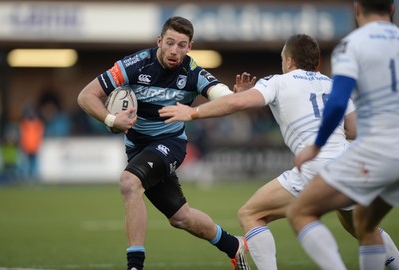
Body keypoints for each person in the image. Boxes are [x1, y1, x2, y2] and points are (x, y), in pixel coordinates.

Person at [158, 33, 399, 269]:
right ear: (315, 62)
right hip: (347, 163)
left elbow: (237, 103)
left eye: (283, 59)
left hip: (314, 166)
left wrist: (193, 113)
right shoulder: (333, 84)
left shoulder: (278, 81)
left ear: (290, 61)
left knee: (250, 214)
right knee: (359, 226)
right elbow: (355, 129)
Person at [77, 16, 251, 270]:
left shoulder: (193, 72)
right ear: (159, 41)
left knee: (129, 182)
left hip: (170, 143)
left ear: (189, 47)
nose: (174, 50)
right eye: (170, 43)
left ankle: (134, 266)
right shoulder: (134, 65)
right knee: (181, 218)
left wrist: (236, 97)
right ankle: (234, 245)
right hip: (138, 149)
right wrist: (112, 119)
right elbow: (86, 96)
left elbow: (220, 95)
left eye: (182, 45)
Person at [286, 1, 399, 270]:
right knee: (364, 220)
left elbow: (337, 103)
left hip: (378, 151)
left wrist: (316, 146)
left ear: (357, 8)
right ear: (393, 9)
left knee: (301, 211)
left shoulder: (352, 45)